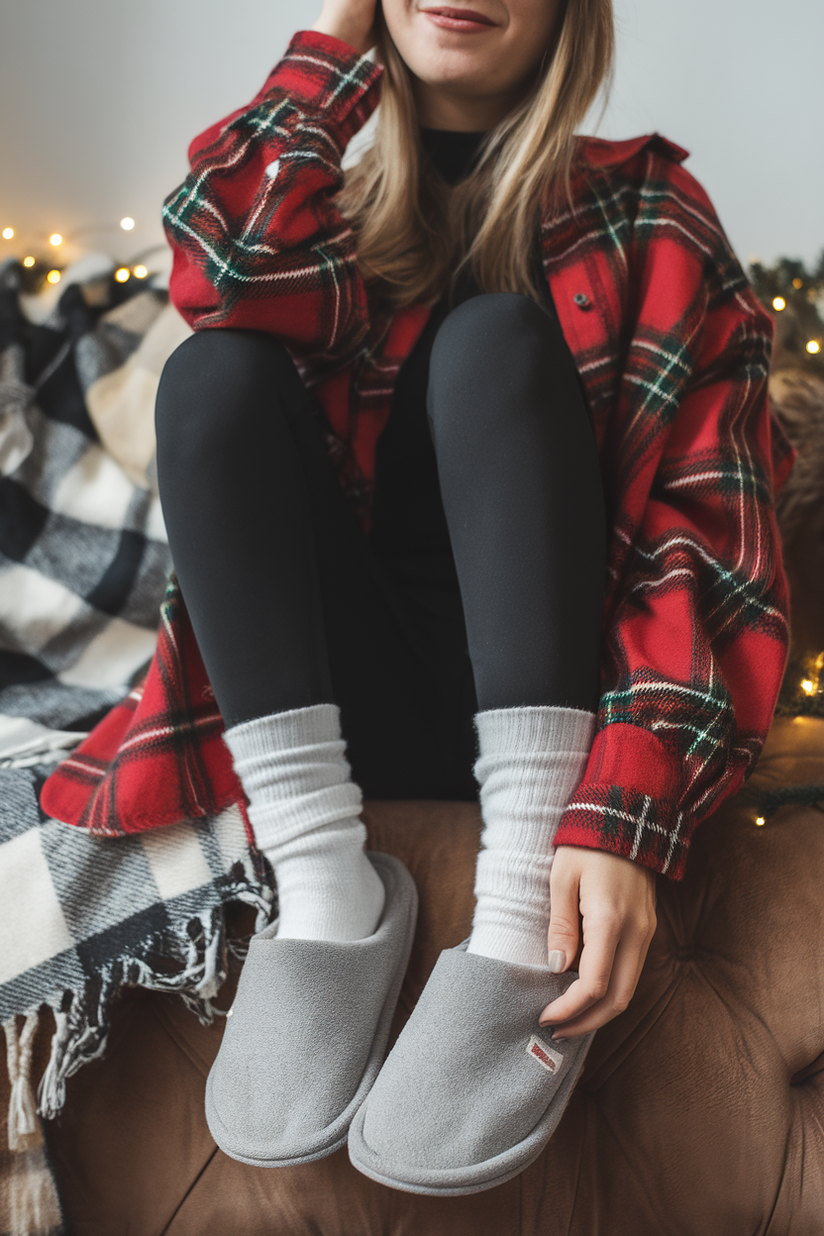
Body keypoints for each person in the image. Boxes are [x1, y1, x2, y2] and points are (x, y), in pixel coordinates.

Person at [41, 0, 793, 1197]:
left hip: (555, 716)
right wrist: (338, 47)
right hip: (340, 715)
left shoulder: (650, 212)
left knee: (493, 341)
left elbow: (700, 536)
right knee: (212, 373)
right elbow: (218, 268)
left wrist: (622, 814)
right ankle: (330, 895)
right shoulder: (320, 209)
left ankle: (507, 914)